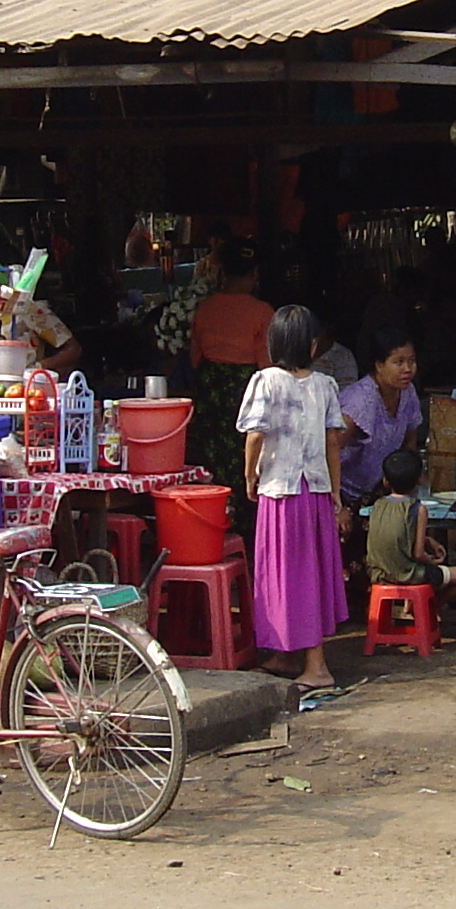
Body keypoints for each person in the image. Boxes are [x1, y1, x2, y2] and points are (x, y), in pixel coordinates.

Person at [237, 304, 349, 690]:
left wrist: (249, 476)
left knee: (286, 575)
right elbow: (333, 442)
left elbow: (254, 435)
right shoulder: (325, 385)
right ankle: (286, 654)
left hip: (282, 492)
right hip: (315, 491)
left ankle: (316, 666)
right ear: (313, 346)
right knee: (308, 572)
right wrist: (334, 492)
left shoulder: (265, 381)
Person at [189, 245, 276, 517]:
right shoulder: (263, 311)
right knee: (246, 456)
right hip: (246, 387)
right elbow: (267, 364)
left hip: (210, 387)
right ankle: (246, 517)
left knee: (212, 457)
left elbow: (194, 358)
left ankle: (214, 513)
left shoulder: (205, 308)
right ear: (254, 274)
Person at [365, 447, 456, 601]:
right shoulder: (417, 509)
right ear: (420, 479)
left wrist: (428, 540)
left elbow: (395, 535)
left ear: (385, 481)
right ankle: (432, 610)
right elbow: (418, 554)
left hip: (379, 575)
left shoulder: (377, 506)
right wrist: (432, 562)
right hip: (408, 575)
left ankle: (416, 606)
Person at [337, 326, 425, 507]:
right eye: (399, 362)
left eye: (412, 361)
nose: (408, 369)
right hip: (344, 493)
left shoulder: (408, 393)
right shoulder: (359, 401)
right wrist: (336, 506)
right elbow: (329, 450)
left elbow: (409, 446)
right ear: (379, 365)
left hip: (379, 494)